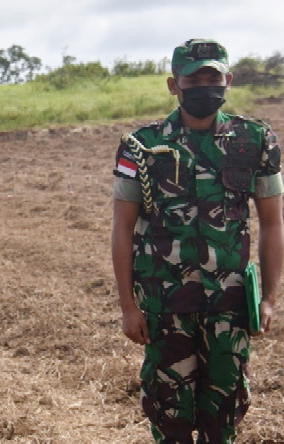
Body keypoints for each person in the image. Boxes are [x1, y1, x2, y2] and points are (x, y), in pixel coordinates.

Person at [111, 39, 283, 443]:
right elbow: (122, 227)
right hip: (165, 305)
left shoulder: (255, 139)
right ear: (174, 85)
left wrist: (269, 299)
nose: (205, 87)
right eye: (194, 79)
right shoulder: (141, 146)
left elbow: (272, 222)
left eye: (213, 78)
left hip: (230, 305)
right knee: (169, 415)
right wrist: (128, 306)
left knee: (223, 416)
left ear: (228, 81)